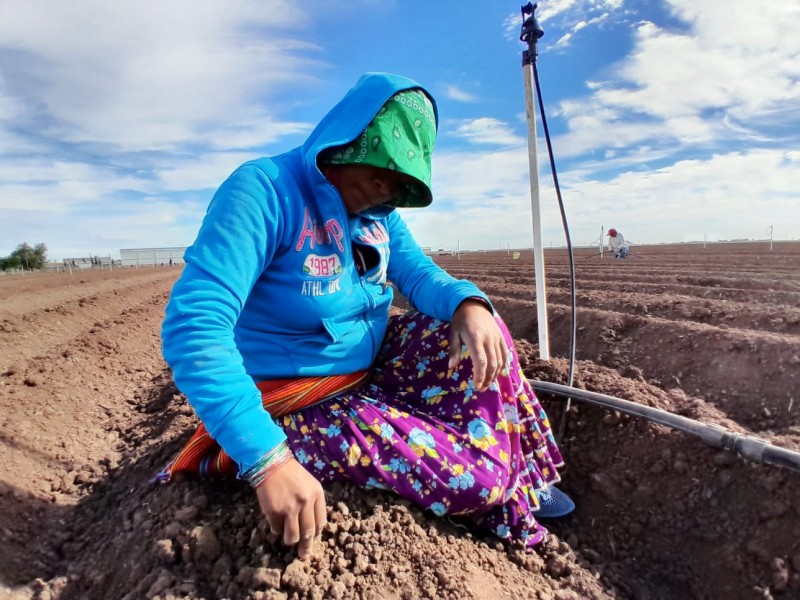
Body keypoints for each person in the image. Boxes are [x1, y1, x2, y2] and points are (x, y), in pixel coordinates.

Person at [160, 73, 569, 561]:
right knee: (473, 482)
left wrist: (468, 304)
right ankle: (493, 486)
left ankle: (520, 475)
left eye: (399, 179)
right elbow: (195, 327)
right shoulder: (264, 192)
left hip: (371, 362)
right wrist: (268, 461)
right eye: (380, 168)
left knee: (486, 333)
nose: (384, 187)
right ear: (346, 138)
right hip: (299, 392)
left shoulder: (380, 215)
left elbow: (417, 275)